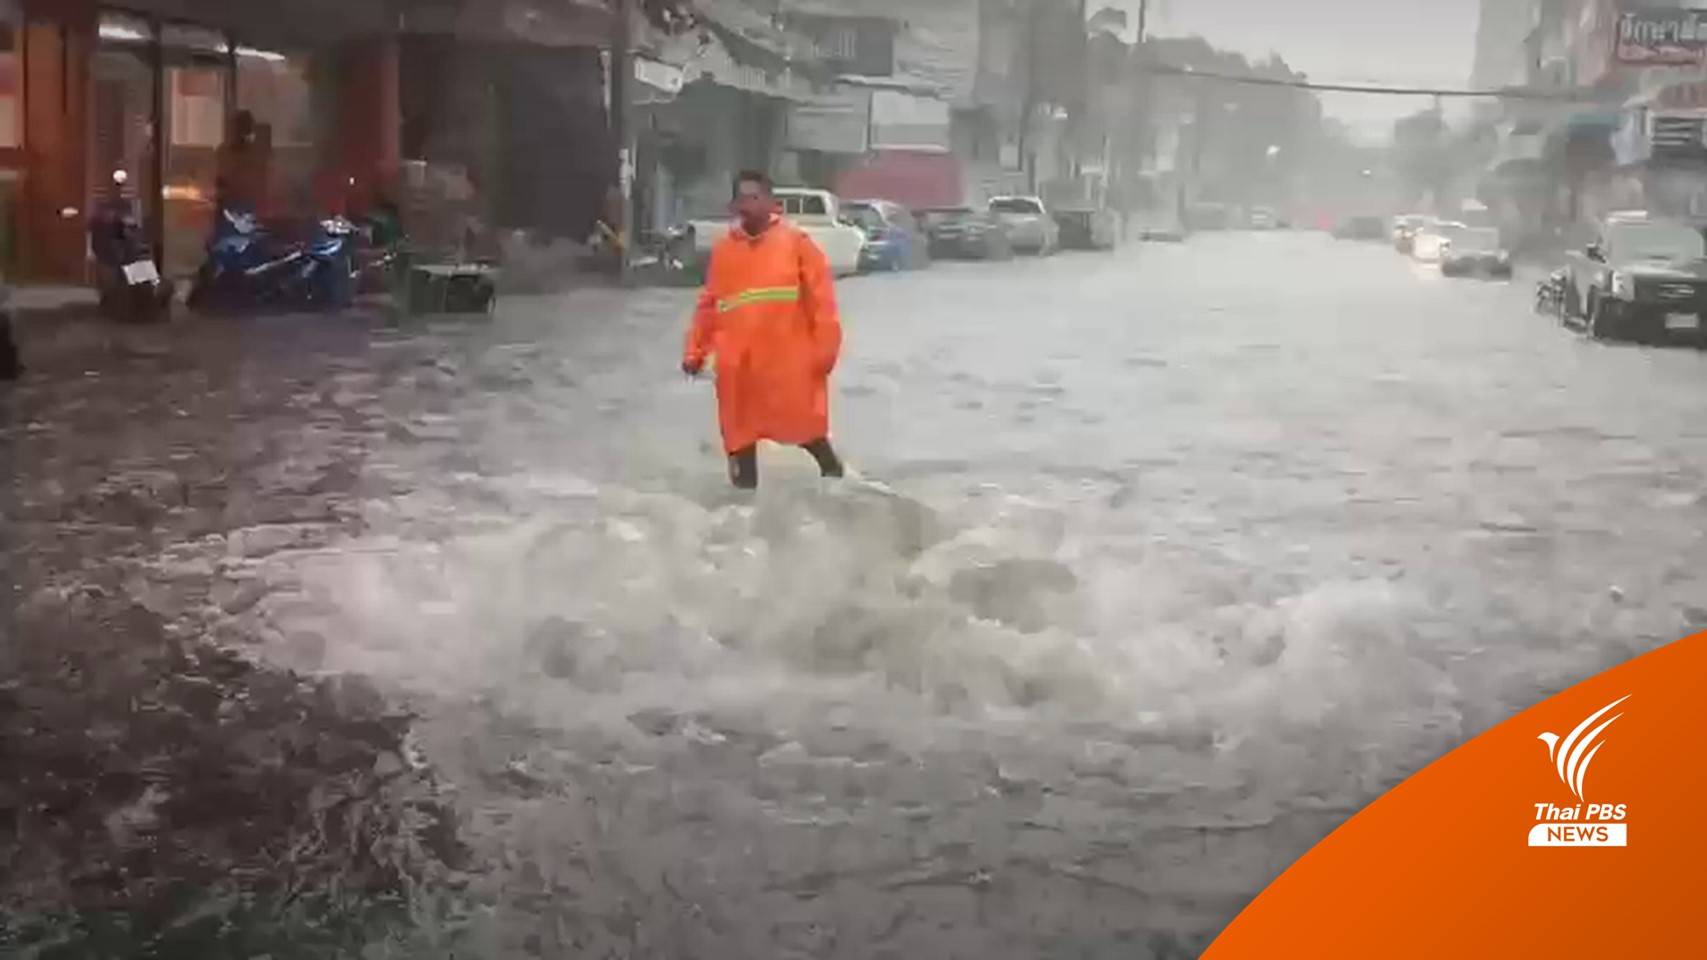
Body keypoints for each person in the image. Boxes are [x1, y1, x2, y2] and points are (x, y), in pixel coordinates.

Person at [683, 170, 845, 489]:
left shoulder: (796, 244)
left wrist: (824, 354)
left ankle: (839, 489)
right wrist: (695, 352)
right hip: (738, 371)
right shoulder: (725, 251)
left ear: (771, 202)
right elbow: (710, 305)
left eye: (754, 197)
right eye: (741, 198)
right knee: (740, 445)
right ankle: (742, 526)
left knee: (808, 434)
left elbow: (822, 303)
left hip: (787, 366)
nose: (747, 205)